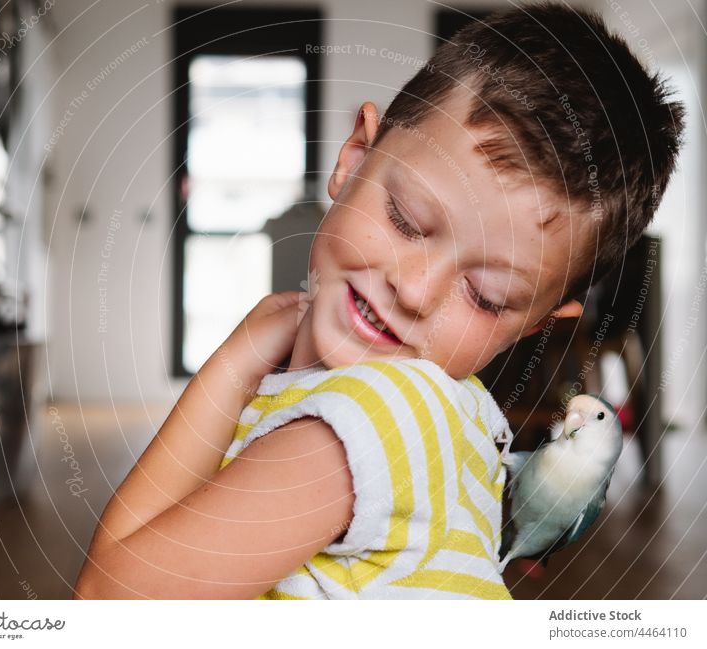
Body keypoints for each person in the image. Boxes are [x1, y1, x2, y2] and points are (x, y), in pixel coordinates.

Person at [74, 2, 684, 599]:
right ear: (354, 160)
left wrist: (233, 361)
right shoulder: (443, 415)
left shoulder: (376, 418)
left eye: (485, 295)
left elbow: (113, 601)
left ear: (535, 325)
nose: (414, 290)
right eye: (407, 220)